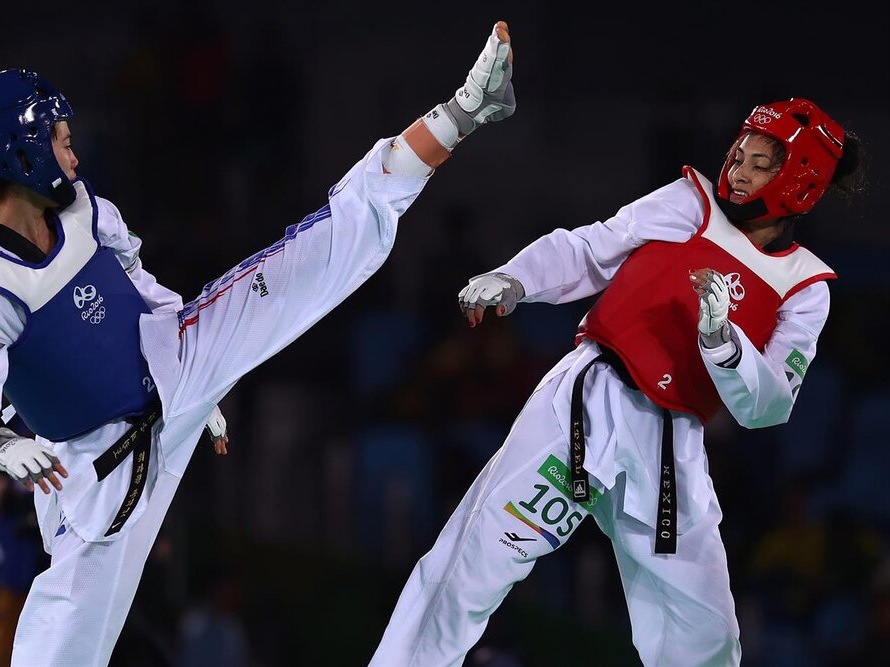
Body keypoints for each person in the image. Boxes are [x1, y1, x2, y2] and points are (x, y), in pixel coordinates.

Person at [0, 21, 515, 664]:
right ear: (24, 153)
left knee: (307, 259)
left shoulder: (87, 212)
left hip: (177, 366)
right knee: (62, 643)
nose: (75, 157)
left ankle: (466, 109)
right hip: (97, 474)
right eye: (62, 143)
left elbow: (141, 292)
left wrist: (201, 387)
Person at [369, 98, 864, 666]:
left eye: (759, 165)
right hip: (588, 400)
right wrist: (517, 278)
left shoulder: (804, 287)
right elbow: (591, 248)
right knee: (475, 561)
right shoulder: (690, 202)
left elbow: (769, 406)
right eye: (738, 154)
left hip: (671, 445)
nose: (737, 171)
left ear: (799, 186)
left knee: (704, 631)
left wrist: (724, 343)